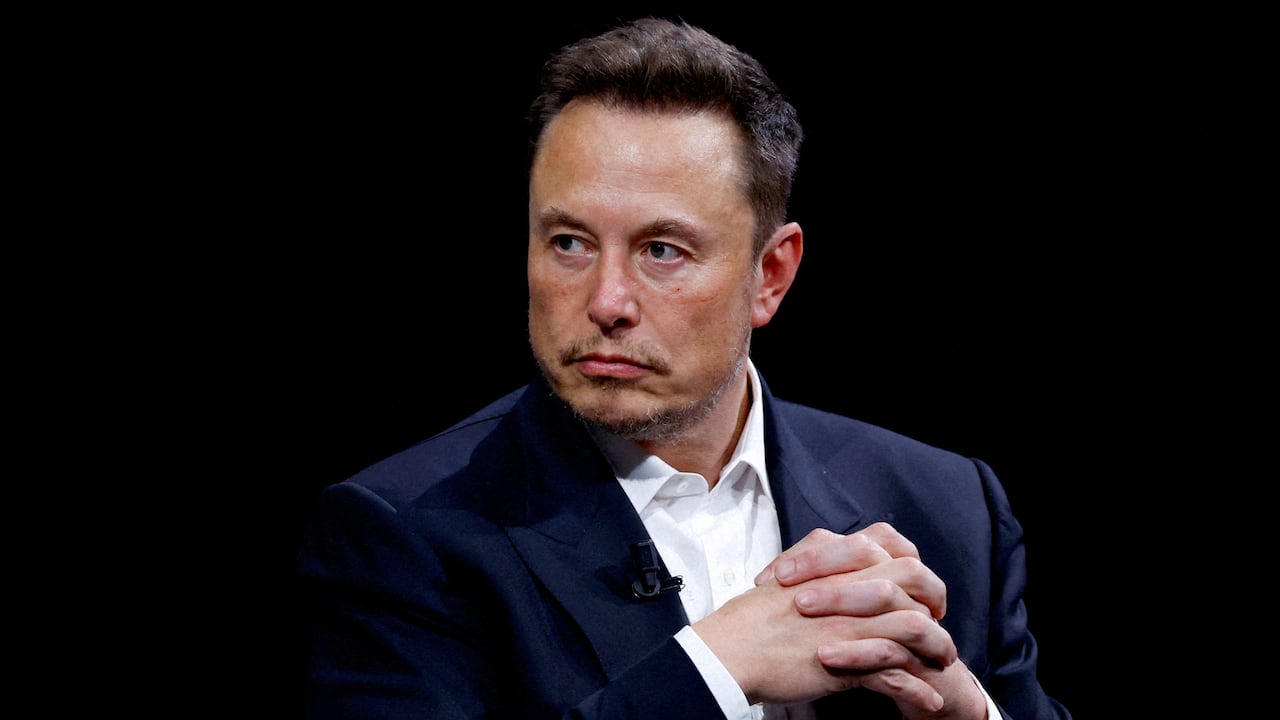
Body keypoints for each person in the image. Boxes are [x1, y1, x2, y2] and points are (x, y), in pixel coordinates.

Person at [298, 16, 1070, 720]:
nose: (606, 301)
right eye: (568, 242)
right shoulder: (403, 531)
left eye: (662, 250)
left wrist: (968, 714)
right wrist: (716, 667)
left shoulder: (949, 506)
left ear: (770, 275)